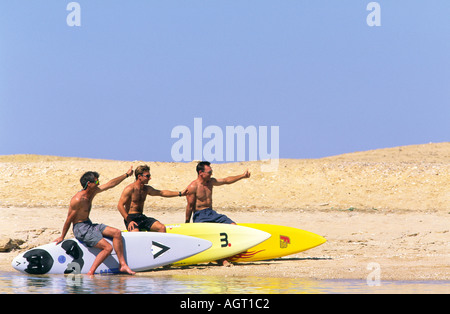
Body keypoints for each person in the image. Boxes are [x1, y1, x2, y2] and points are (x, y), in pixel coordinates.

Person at [54, 168, 135, 276]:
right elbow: (69, 219)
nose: (99, 183)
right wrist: (62, 236)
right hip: (80, 228)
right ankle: (91, 272)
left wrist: (126, 175)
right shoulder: (78, 199)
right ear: (89, 183)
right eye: (96, 181)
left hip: (89, 224)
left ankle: (123, 265)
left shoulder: (93, 191)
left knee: (117, 233)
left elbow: (110, 184)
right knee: (108, 248)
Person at [118, 165, 187, 232]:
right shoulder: (130, 189)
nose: (150, 178)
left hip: (141, 217)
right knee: (136, 232)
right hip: (130, 218)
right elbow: (120, 205)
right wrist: (129, 221)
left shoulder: (146, 189)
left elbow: (161, 193)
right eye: (147, 176)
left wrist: (180, 193)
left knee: (162, 228)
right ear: (139, 176)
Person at [185, 161, 250, 224]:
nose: (211, 174)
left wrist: (243, 176)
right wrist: (187, 223)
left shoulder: (211, 181)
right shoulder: (193, 186)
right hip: (200, 215)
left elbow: (226, 180)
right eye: (209, 172)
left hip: (212, 213)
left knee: (232, 225)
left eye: (211, 172)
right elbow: (189, 206)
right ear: (201, 172)